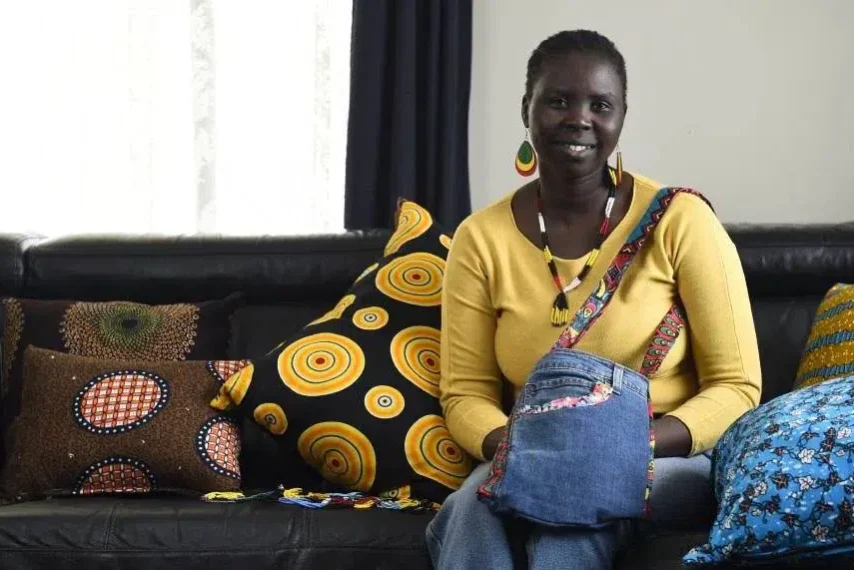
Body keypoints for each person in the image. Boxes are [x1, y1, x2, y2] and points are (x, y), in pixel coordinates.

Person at [426, 30, 762, 569]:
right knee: (470, 508)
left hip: (664, 457)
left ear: (620, 117)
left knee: (569, 518)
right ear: (527, 110)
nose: (578, 118)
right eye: (557, 100)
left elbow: (737, 386)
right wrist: (520, 453)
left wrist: (621, 447)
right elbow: (464, 394)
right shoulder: (479, 238)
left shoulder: (680, 221)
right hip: (532, 447)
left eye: (599, 105)